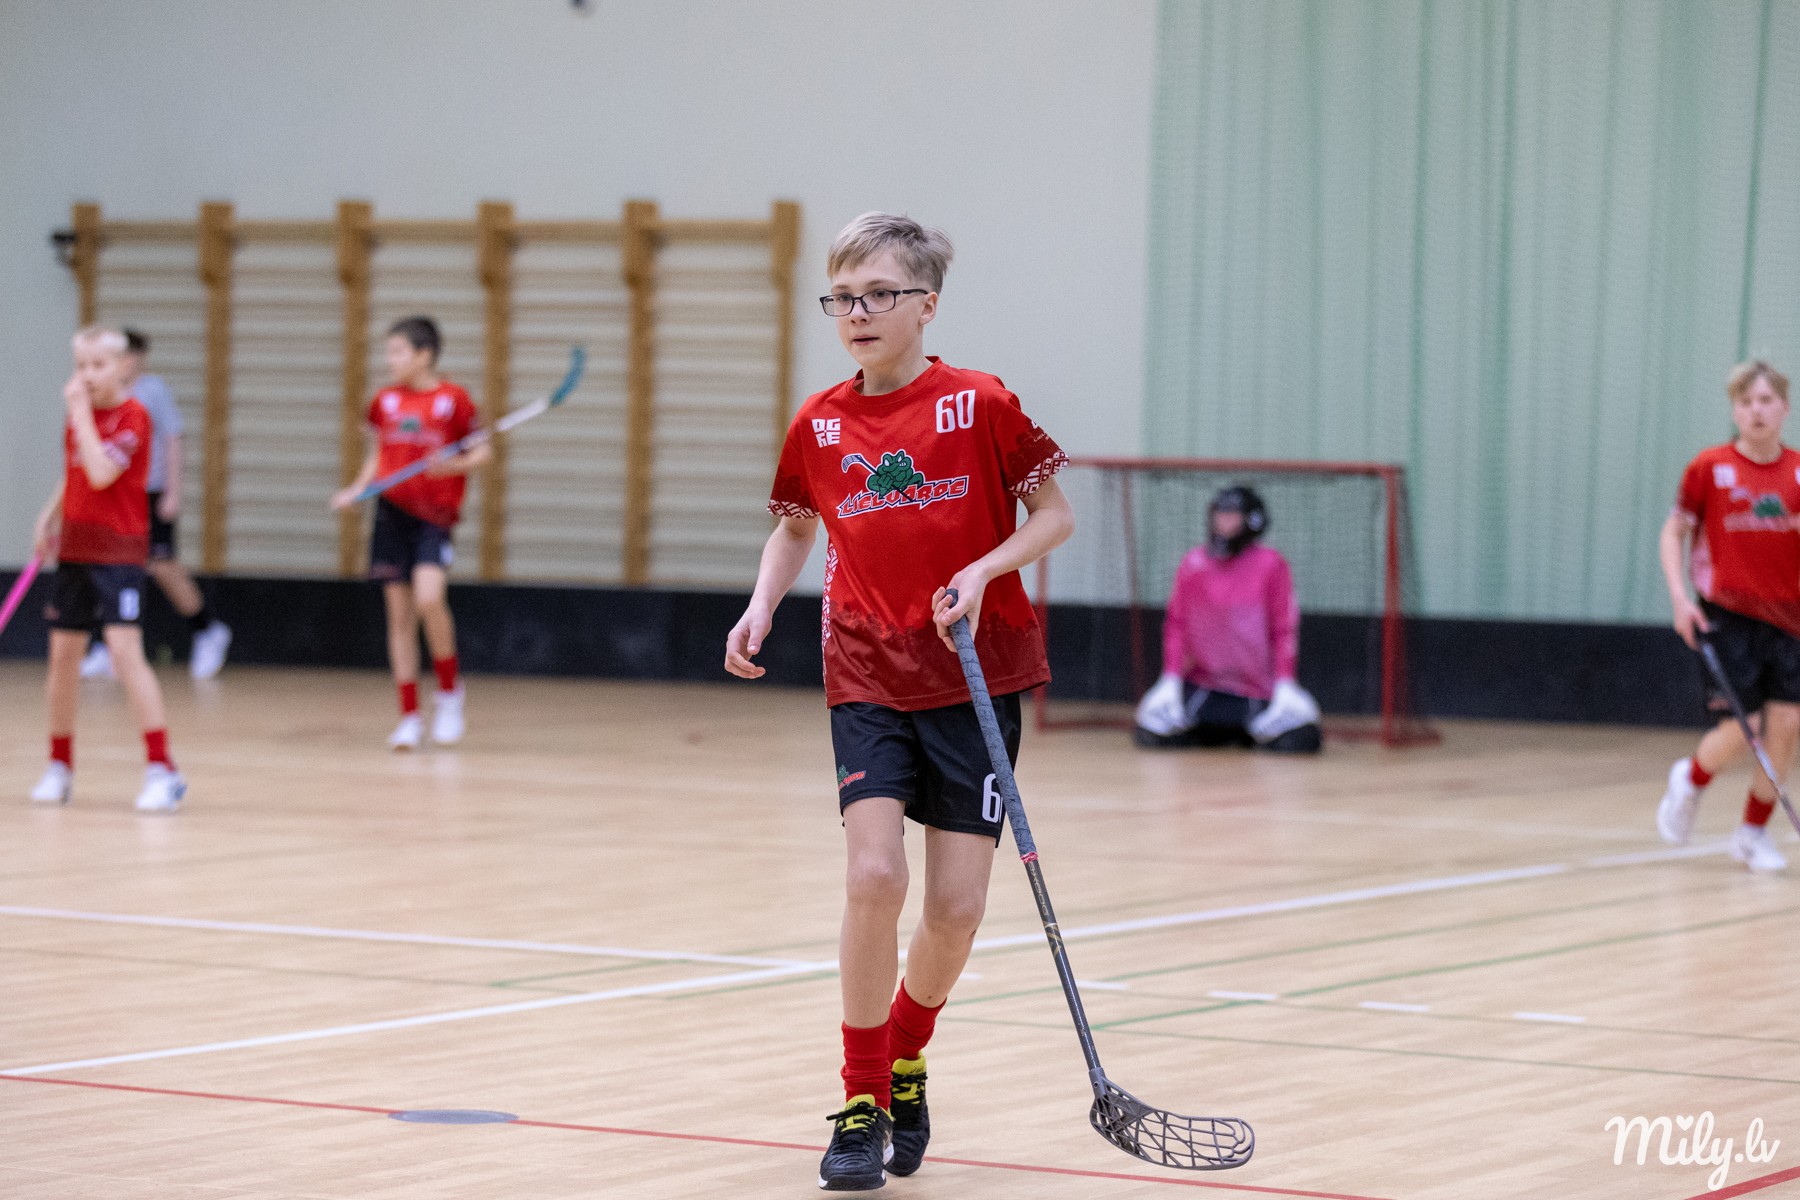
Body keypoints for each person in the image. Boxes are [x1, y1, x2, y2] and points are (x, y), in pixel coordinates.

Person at [725, 213, 1073, 1191]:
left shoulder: (980, 403)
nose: (858, 313)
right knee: (875, 878)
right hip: (867, 669)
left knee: (956, 910)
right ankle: (861, 1100)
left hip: (974, 676)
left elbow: (1053, 516)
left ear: (928, 304)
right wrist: (761, 605)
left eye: (879, 293)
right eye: (842, 297)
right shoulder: (821, 422)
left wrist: (984, 567)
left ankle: (908, 1054)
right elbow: (797, 527)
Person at [29, 326, 187, 812]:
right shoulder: (81, 415)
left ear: (122, 367)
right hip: (76, 549)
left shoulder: (134, 416)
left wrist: (80, 414)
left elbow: (101, 472)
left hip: (118, 553)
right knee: (62, 660)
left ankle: (162, 769)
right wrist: (51, 516)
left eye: (98, 365)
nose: (87, 375)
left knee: (123, 654)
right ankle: (59, 766)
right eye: (81, 365)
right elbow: (76, 471)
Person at [1657, 360, 1799, 873]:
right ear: (1735, 410)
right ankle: (1690, 778)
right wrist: (1680, 598)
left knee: (1785, 727)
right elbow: (1674, 532)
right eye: (1745, 402)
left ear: (1784, 407)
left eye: (1765, 401)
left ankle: (1752, 834)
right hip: (1727, 616)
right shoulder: (1709, 467)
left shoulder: (1798, 471)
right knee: (1743, 730)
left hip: (1790, 620)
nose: (1756, 411)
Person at [331, 316, 487, 750]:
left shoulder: (454, 400)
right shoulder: (384, 401)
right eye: (389, 352)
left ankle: (449, 693)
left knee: (429, 599)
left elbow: (483, 452)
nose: (391, 360)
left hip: (434, 517)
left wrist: (453, 465)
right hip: (391, 514)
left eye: (399, 351)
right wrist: (356, 490)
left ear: (424, 355)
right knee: (399, 619)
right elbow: (378, 456)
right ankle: (409, 717)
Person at [78, 328, 233, 681]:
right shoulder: (100, 395)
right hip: (114, 495)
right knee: (109, 568)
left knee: (162, 565)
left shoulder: (152, 392)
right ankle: (105, 645)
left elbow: (173, 438)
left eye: (131, 356)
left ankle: (207, 629)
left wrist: (173, 491)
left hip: (150, 492)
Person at [1133, 485, 1322, 753]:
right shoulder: (1194, 563)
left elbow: (1284, 628)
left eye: (1232, 516)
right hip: (1204, 685)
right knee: (1150, 729)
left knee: (1301, 736)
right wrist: (1170, 679)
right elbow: (1176, 624)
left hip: (1257, 689)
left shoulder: (1271, 564)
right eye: (1220, 515)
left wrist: (1285, 682)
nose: (1224, 523)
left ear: (1252, 520)